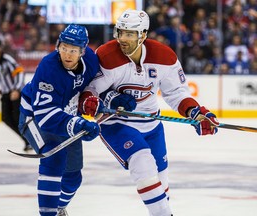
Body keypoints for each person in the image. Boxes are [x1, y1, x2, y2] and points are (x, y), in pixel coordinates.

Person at [78, 9, 219, 216]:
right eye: (120, 32)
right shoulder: (106, 55)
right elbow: (89, 93)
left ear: (142, 35)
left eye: (129, 34)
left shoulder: (164, 56)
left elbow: (176, 93)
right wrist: (107, 100)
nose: (122, 39)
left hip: (151, 124)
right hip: (116, 123)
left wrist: (195, 112)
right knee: (142, 162)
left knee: (161, 180)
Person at [18, 24, 100, 216]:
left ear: (82, 50)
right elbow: (45, 116)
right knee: (54, 157)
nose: (67, 54)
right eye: (64, 48)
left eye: (73, 50)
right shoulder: (49, 67)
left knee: (73, 177)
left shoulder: (91, 61)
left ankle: (58, 208)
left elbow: (98, 87)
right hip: (34, 118)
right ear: (58, 46)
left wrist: (107, 100)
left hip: (65, 118)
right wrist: (79, 124)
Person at [0, 36, 32, 151]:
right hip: (6, 94)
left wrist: (16, 89)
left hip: (16, 93)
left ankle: (30, 140)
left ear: (0, 49)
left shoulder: (7, 60)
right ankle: (27, 140)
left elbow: (20, 72)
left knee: (17, 118)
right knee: (5, 118)